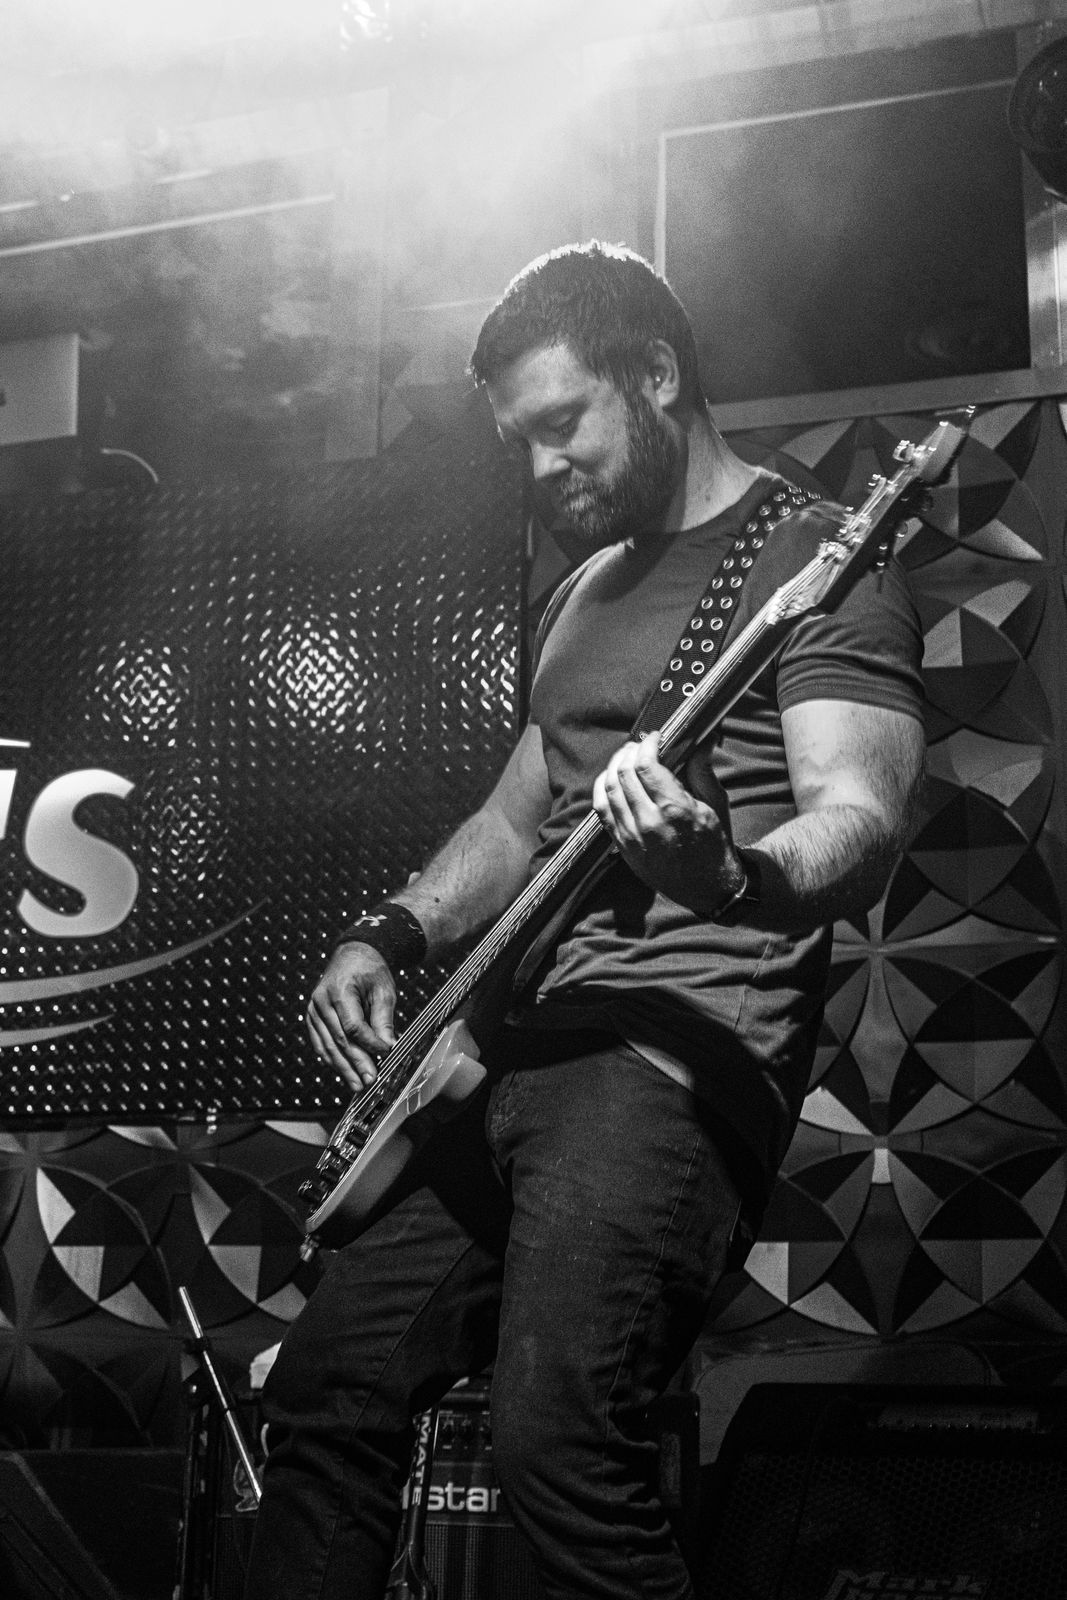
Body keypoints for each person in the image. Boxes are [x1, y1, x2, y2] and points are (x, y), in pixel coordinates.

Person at [244, 241, 925, 1600]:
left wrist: (731, 875)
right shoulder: (580, 588)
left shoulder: (814, 560)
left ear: (657, 374)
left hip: (664, 1058)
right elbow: (516, 823)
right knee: (325, 1396)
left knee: (558, 1444)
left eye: (564, 423)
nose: (543, 465)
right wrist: (390, 932)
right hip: (500, 1057)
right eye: (521, 441)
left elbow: (859, 814)